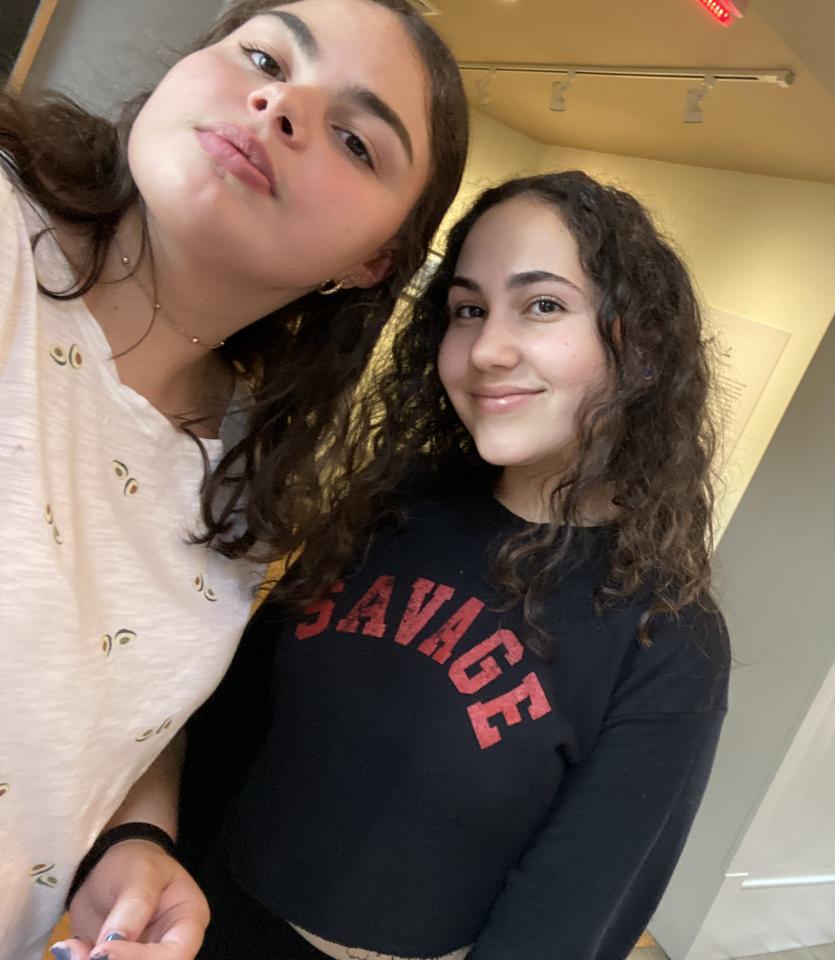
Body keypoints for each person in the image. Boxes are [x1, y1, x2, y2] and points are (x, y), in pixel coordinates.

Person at [0, 2, 468, 958]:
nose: (280, 105)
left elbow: (122, 696)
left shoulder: (252, 474)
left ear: (372, 263)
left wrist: (135, 840)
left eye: (355, 140)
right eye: (263, 56)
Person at [174, 170, 731, 960]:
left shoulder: (667, 637)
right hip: (201, 922)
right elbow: (229, 731)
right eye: (468, 310)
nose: (487, 350)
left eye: (543, 305)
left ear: (637, 342)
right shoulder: (389, 509)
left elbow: (566, 919)